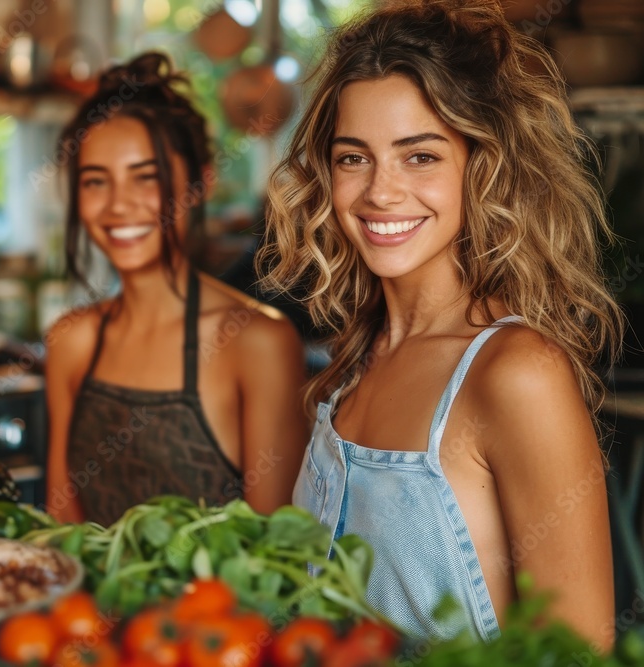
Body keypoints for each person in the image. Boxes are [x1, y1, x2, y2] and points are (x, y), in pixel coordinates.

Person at [257, 0, 622, 648]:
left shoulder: (516, 372)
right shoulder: (355, 357)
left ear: (480, 163)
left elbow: (577, 655)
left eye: (419, 156)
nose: (380, 192)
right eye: (353, 157)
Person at [45, 52, 309, 527]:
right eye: (95, 181)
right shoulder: (72, 340)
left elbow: (275, 560)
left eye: (146, 177)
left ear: (201, 183)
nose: (119, 206)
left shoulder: (257, 342)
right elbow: (61, 529)